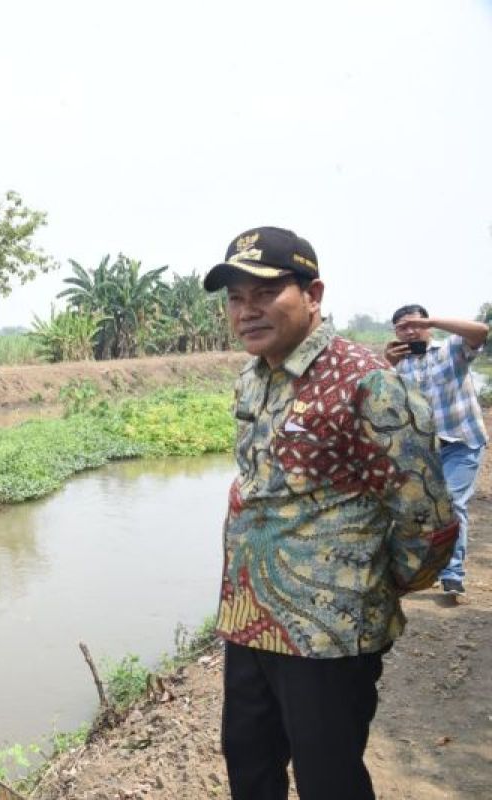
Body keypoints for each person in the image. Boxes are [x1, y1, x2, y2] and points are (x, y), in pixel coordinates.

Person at [202, 226, 457, 800]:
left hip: (329, 634)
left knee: (329, 780)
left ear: (312, 294)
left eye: (265, 293)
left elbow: (428, 520)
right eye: (237, 298)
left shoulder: (367, 382)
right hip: (249, 618)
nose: (248, 311)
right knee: (249, 763)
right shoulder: (253, 378)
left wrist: (366, 584)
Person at [384, 304, 488, 597]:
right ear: (395, 332)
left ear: (428, 325)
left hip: (461, 443)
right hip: (421, 450)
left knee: (453, 503)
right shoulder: (398, 362)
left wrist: (435, 320)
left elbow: (481, 331)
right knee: (419, 509)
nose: (410, 330)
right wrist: (385, 365)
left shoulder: (451, 349)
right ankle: (418, 567)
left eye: (416, 324)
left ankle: (452, 573)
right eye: (403, 327)